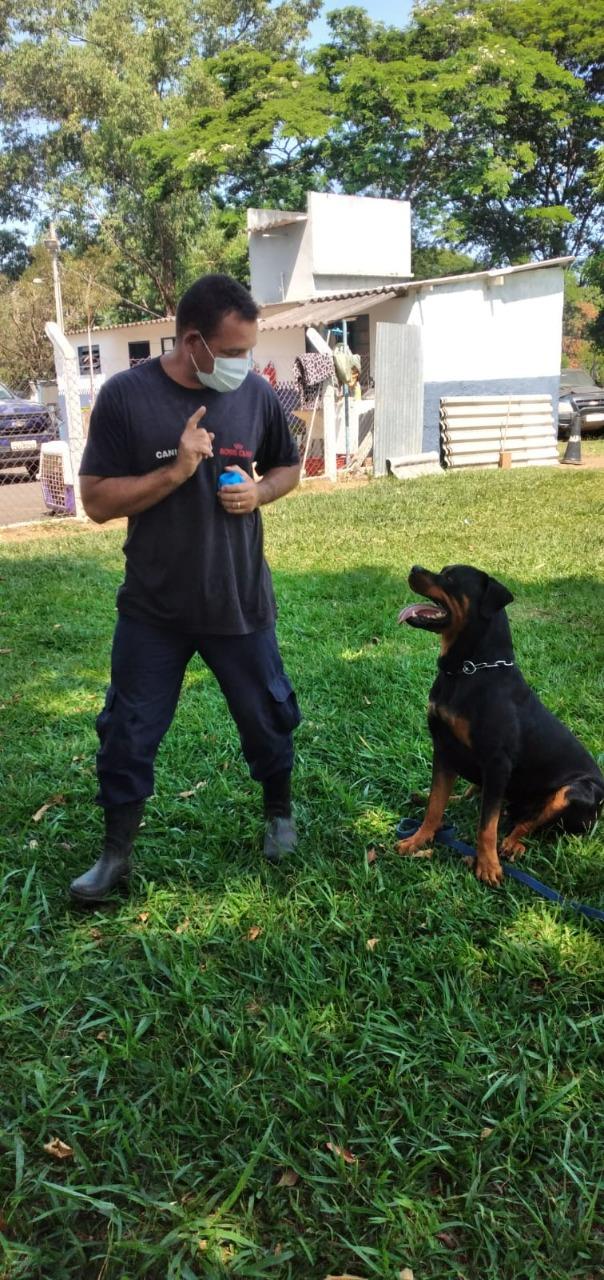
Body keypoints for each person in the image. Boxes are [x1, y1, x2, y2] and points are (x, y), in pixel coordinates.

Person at [69, 274, 302, 904]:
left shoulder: (255, 393)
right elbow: (93, 501)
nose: (243, 363)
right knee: (128, 729)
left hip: (238, 597)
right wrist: (176, 469)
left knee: (267, 716)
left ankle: (279, 812)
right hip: (155, 607)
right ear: (192, 341)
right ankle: (116, 854)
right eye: (231, 352)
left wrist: (261, 492)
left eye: (247, 351)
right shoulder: (126, 396)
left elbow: (289, 466)